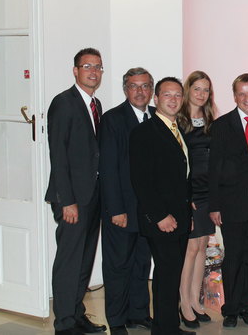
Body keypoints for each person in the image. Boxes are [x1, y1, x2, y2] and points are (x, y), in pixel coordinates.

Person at [45, 48, 107, 335]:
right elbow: (58, 155)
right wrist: (66, 201)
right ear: (75, 70)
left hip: (92, 197)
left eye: (97, 67)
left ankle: (77, 314)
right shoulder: (64, 103)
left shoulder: (96, 105)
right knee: (69, 261)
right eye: (87, 66)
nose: (93, 72)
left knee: (84, 261)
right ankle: (64, 323)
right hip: (71, 200)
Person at [208, 73, 248, 328]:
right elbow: (214, 169)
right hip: (231, 206)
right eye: (242, 94)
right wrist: (214, 205)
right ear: (234, 96)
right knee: (233, 258)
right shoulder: (222, 125)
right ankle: (231, 309)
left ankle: (247, 304)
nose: (247, 98)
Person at [129, 77, 194, 335]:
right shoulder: (144, 132)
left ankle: (168, 326)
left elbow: (182, 177)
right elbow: (141, 181)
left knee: (171, 275)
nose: (174, 99)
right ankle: (164, 329)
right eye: (167, 94)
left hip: (179, 216)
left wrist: (186, 213)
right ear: (156, 99)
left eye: (178, 95)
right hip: (161, 219)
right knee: (166, 275)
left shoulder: (179, 129)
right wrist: (159, 216)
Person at [99, 68, 154, 335]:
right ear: (125, 90)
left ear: (151, 90)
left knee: (142, 264)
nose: (140, 91)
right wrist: (116, 209)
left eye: (145, 86)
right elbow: (108, 168)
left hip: (148, 212)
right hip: (122, 209)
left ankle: (138, 313)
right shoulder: (113, 119)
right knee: (118, 266)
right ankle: (117, 320)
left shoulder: (157, 116)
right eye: (134, 86)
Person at [177, 71, 217, 328]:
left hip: (209, 192)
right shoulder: (178, 121)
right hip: (190, 194)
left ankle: (195, 300)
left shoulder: (212, 120)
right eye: (197, 89)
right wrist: (185, 195)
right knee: (190, 250)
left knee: (202, 247)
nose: (201, 94)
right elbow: (176, 163)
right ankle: (183, 303)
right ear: (188, 90)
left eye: (205, 90)